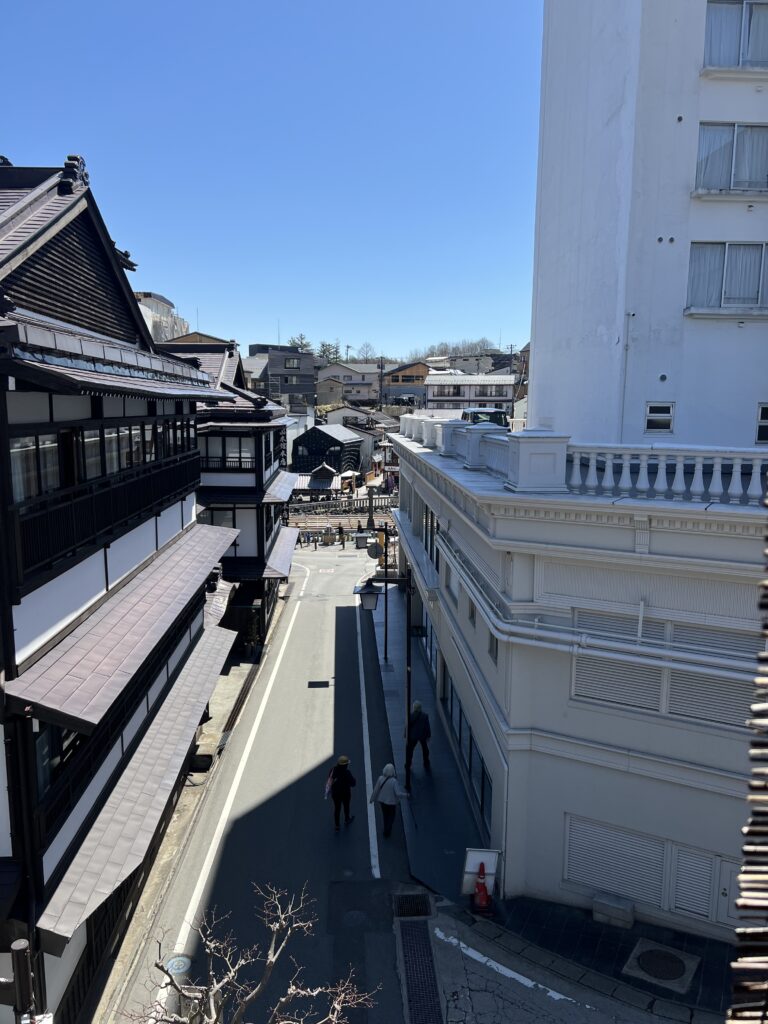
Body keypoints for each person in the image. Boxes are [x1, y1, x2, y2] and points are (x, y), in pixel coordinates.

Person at [370, 763, 408, 837]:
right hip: (391, 802)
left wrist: (372, 799)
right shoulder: (394, 781)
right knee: (391, 816)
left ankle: (385, 829)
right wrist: (406, 795)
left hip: (382, 801)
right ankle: (388, 829)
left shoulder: (380, 778)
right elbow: (398, 793)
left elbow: (376, 790)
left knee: (385, 816)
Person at [329, 755, 356, 831]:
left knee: (337, 808)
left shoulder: (333, 770)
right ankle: (347, 819)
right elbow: (353, 783)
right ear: (345, 765)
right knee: (346, 806)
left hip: (335, 793)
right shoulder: (347, 773)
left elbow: (330, 779)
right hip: (345, 793)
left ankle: (337, 825)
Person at [406, 701, 431, 771]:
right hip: (422, 735)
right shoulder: (425, 716)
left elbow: (407, 726)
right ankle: (426, 762)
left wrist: (406, 734)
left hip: (413, 736)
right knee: (425, 749)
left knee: (410, 750)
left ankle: (408, 764)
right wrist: (428, 735)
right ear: (420, 708)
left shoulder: (410, 716)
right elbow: (427, 727)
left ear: (414, 707)